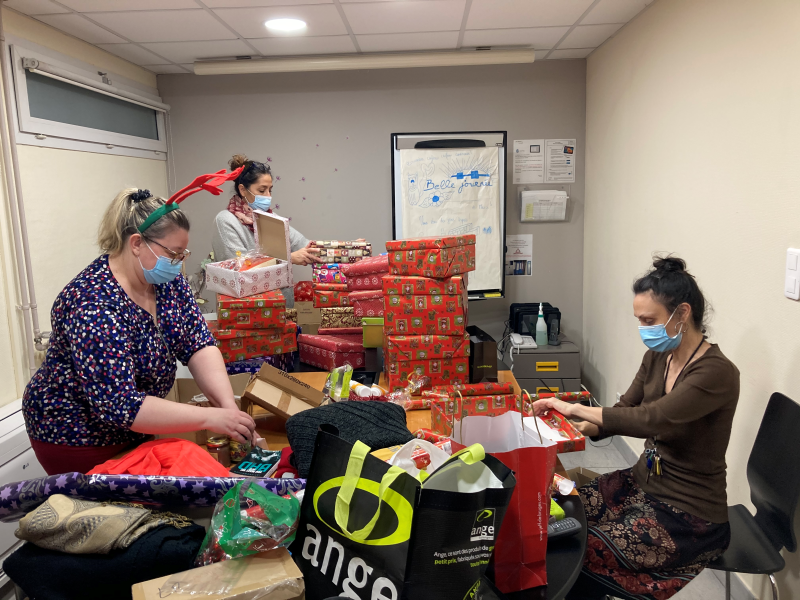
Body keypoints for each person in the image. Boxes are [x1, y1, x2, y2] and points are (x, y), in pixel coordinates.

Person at [535, 256, 739, 600]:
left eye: (649, 320)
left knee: (580, 548)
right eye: (639, 321)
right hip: (642, 482)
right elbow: (626, 409)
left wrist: (572, 407)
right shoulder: (659, 356)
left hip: (689, 513)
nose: (643, 329)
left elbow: (651, 418)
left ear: (682, 313)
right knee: (562, 509)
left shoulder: (716, 372)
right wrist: (577, 427)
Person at [23, 188, 257, 475]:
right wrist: (210, 417)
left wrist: (228, 408)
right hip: (78, 437)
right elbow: (121, 404)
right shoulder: (93, 304)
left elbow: (197, 343)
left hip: (137, 426)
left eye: (183, 253)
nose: (179, 262)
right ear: (136, 243)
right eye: (173, 253)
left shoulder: (166, 282)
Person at [212, 154, 321, 307]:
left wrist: (344, 251)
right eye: (262, 190)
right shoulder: (226, 221)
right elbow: (238, 269)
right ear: (242, 190)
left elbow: (305, 245)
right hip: (248, 310)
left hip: (283, 307)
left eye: (270, 190)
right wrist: (288, 259)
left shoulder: (271, 219)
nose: (268, 197)